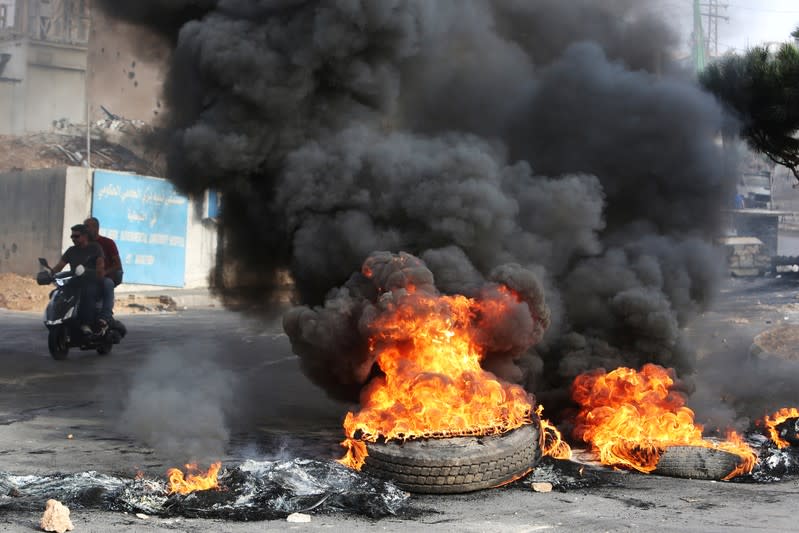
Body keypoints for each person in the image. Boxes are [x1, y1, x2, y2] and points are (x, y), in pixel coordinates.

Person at [52, 224, 106, 335]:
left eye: (76, 236)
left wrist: (90, 271)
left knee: (87, 293)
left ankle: (86, 323)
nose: (73, 239)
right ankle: (59, 319)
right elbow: (59, 266)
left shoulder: (95, 248)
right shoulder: (71, 251)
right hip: (75, 281)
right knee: (58, 292)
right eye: (72, 236)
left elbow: (100, 267)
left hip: (91, 281)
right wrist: (50, 274)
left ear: (85, 236)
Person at [84, 217, 123, 326]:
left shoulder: (108, 243)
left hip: (105, 276)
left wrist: (104, 273)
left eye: (87, 226)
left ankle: (105, 316)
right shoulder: (83, 244)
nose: (85, 229)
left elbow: (118, 265)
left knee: (108, 283)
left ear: (96, 228)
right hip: (89, 277)